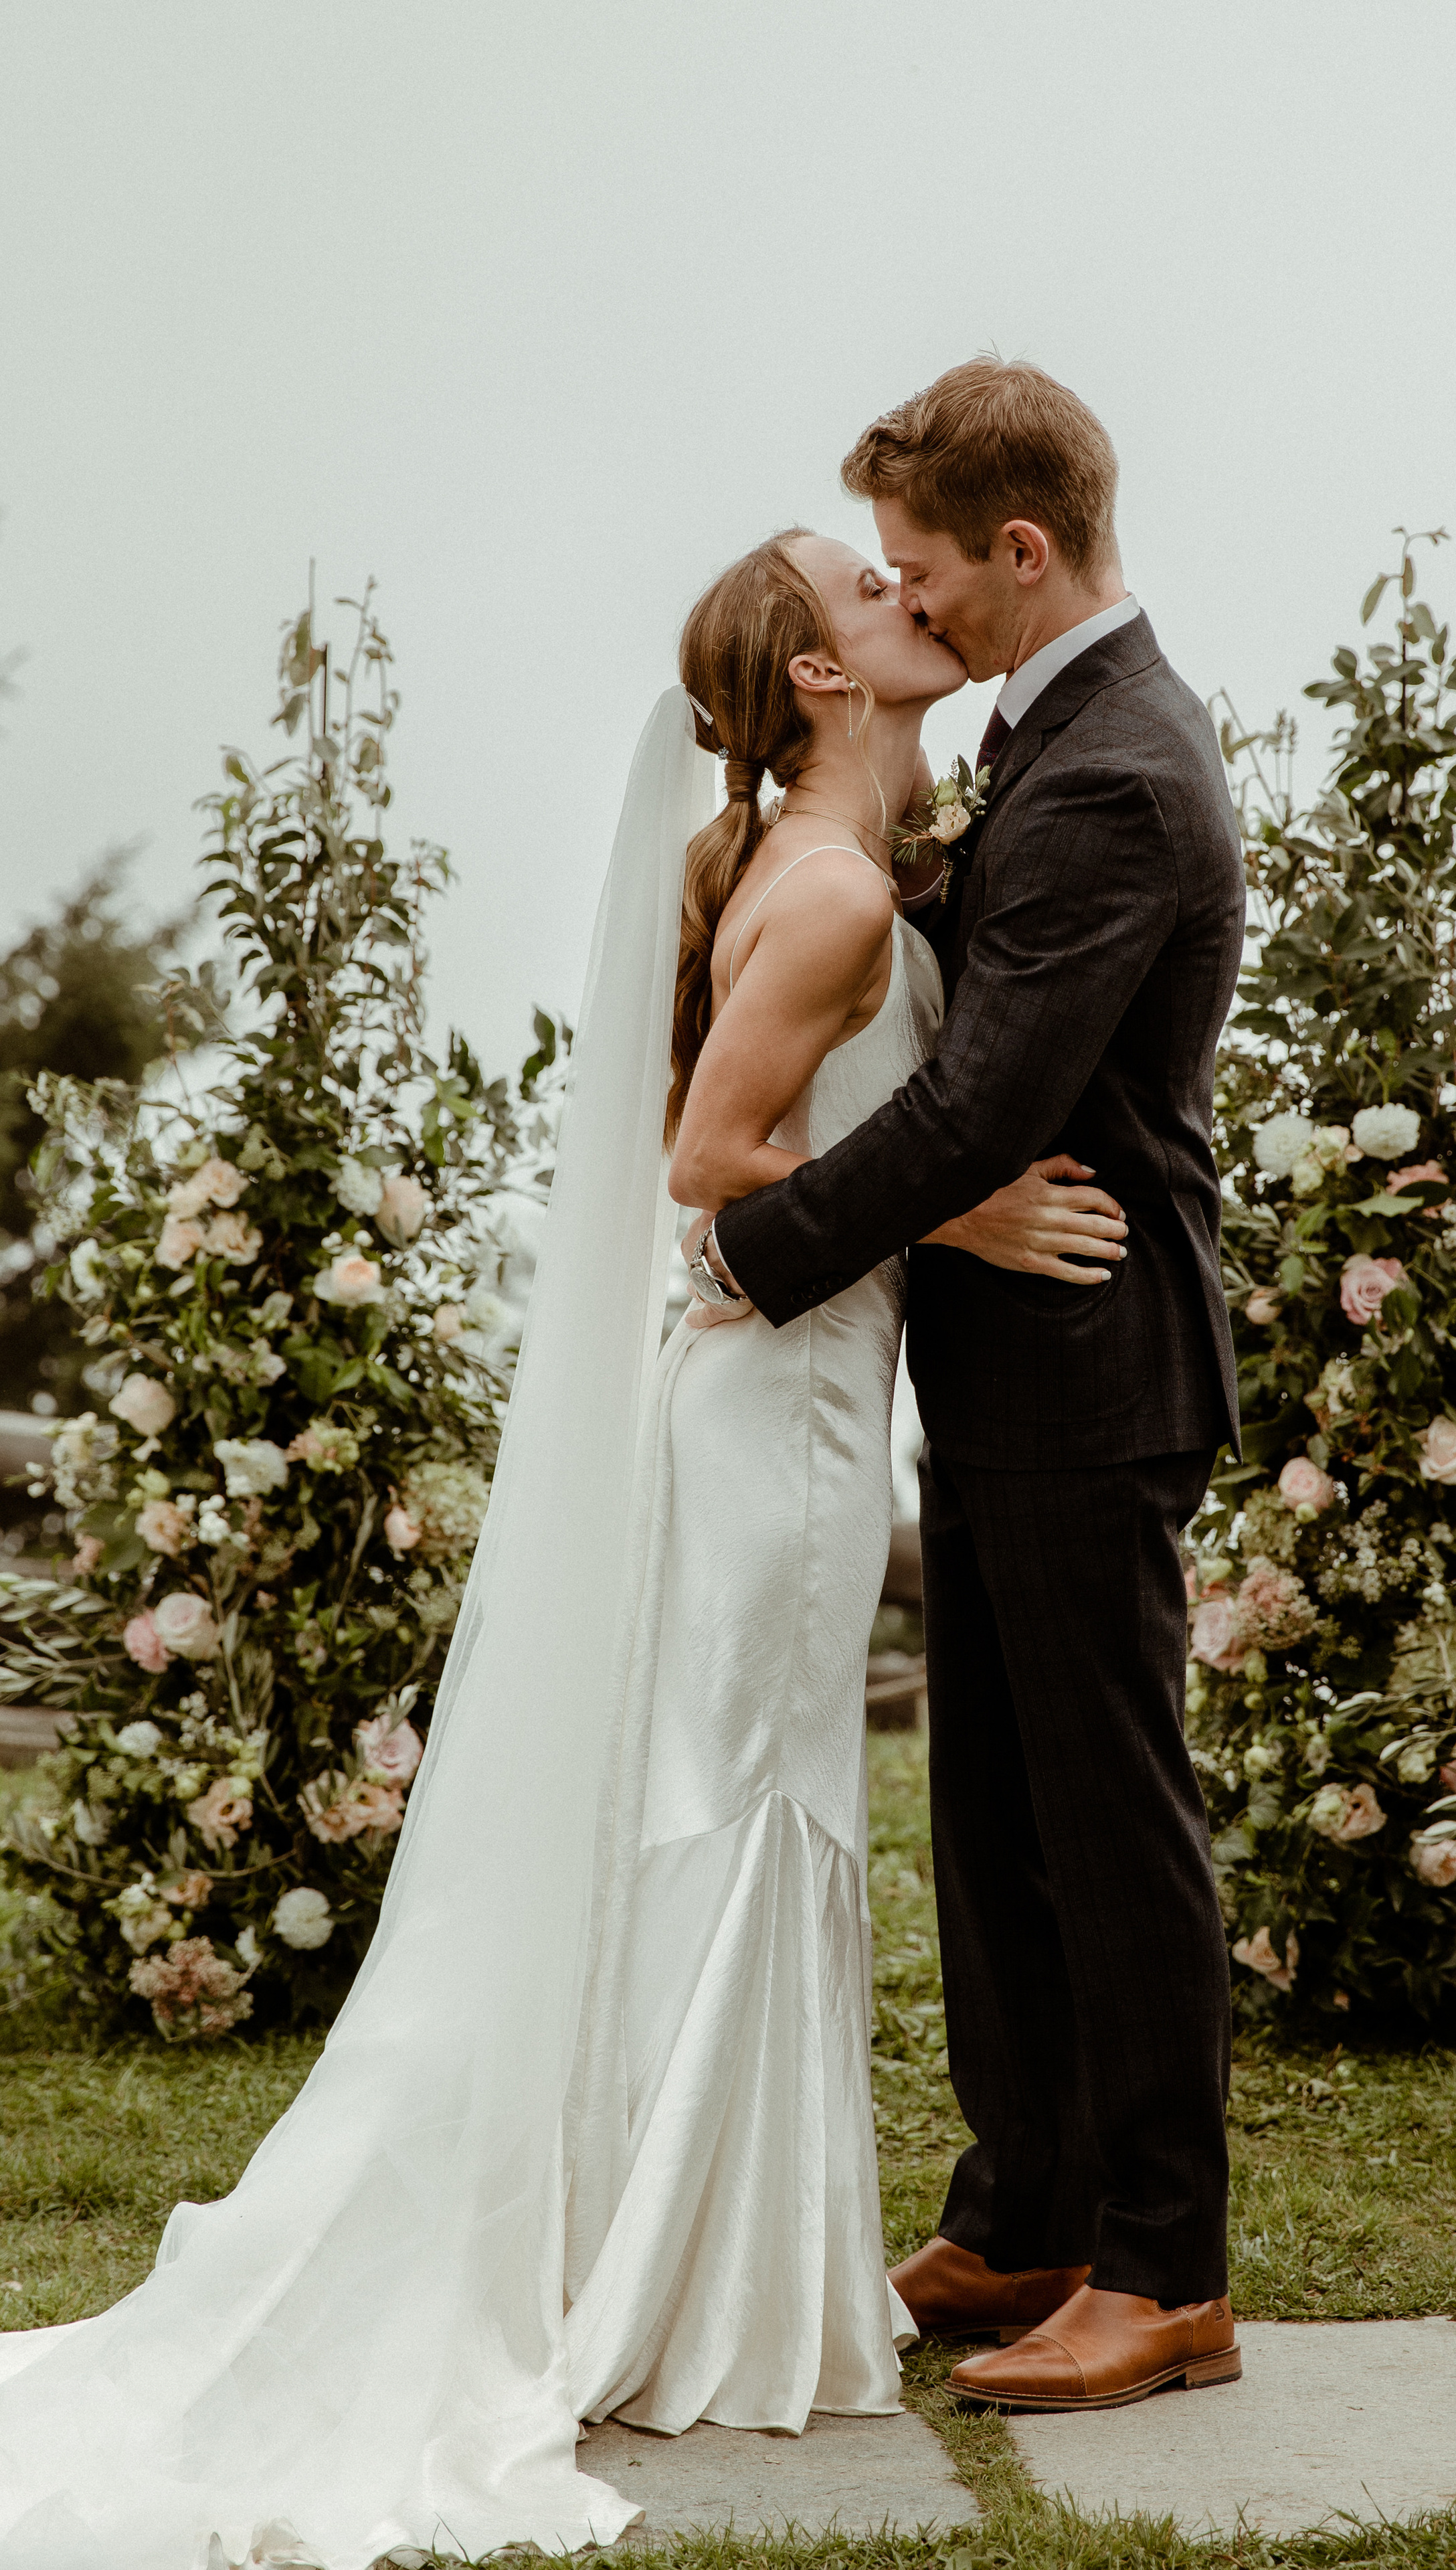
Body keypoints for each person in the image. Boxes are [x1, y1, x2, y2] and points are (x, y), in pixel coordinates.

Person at [0, 527, 1116, 2570]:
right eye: (864, 588)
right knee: (749, 1798)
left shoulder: (827, 861)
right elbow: (709, 1163)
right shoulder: (836, 884)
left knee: (739, 1790)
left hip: (780, 1391)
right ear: (818, 680)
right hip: (773, 1413)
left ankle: (701, 2259)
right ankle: (698, 2288)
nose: (905, 591)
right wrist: (963, 1212)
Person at [706, 358, 1249, 2414]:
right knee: (1002, 1822)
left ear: (1022, 555)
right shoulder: (1061, 734)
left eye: (928, 572)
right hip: (1022, 1361)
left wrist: (752, 1251)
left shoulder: (1116, 764)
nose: (913, 606)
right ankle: (1026, 2210)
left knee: (1110, 1828)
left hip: (1098, 1358)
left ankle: (1164, 2270)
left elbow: (989, 1096)